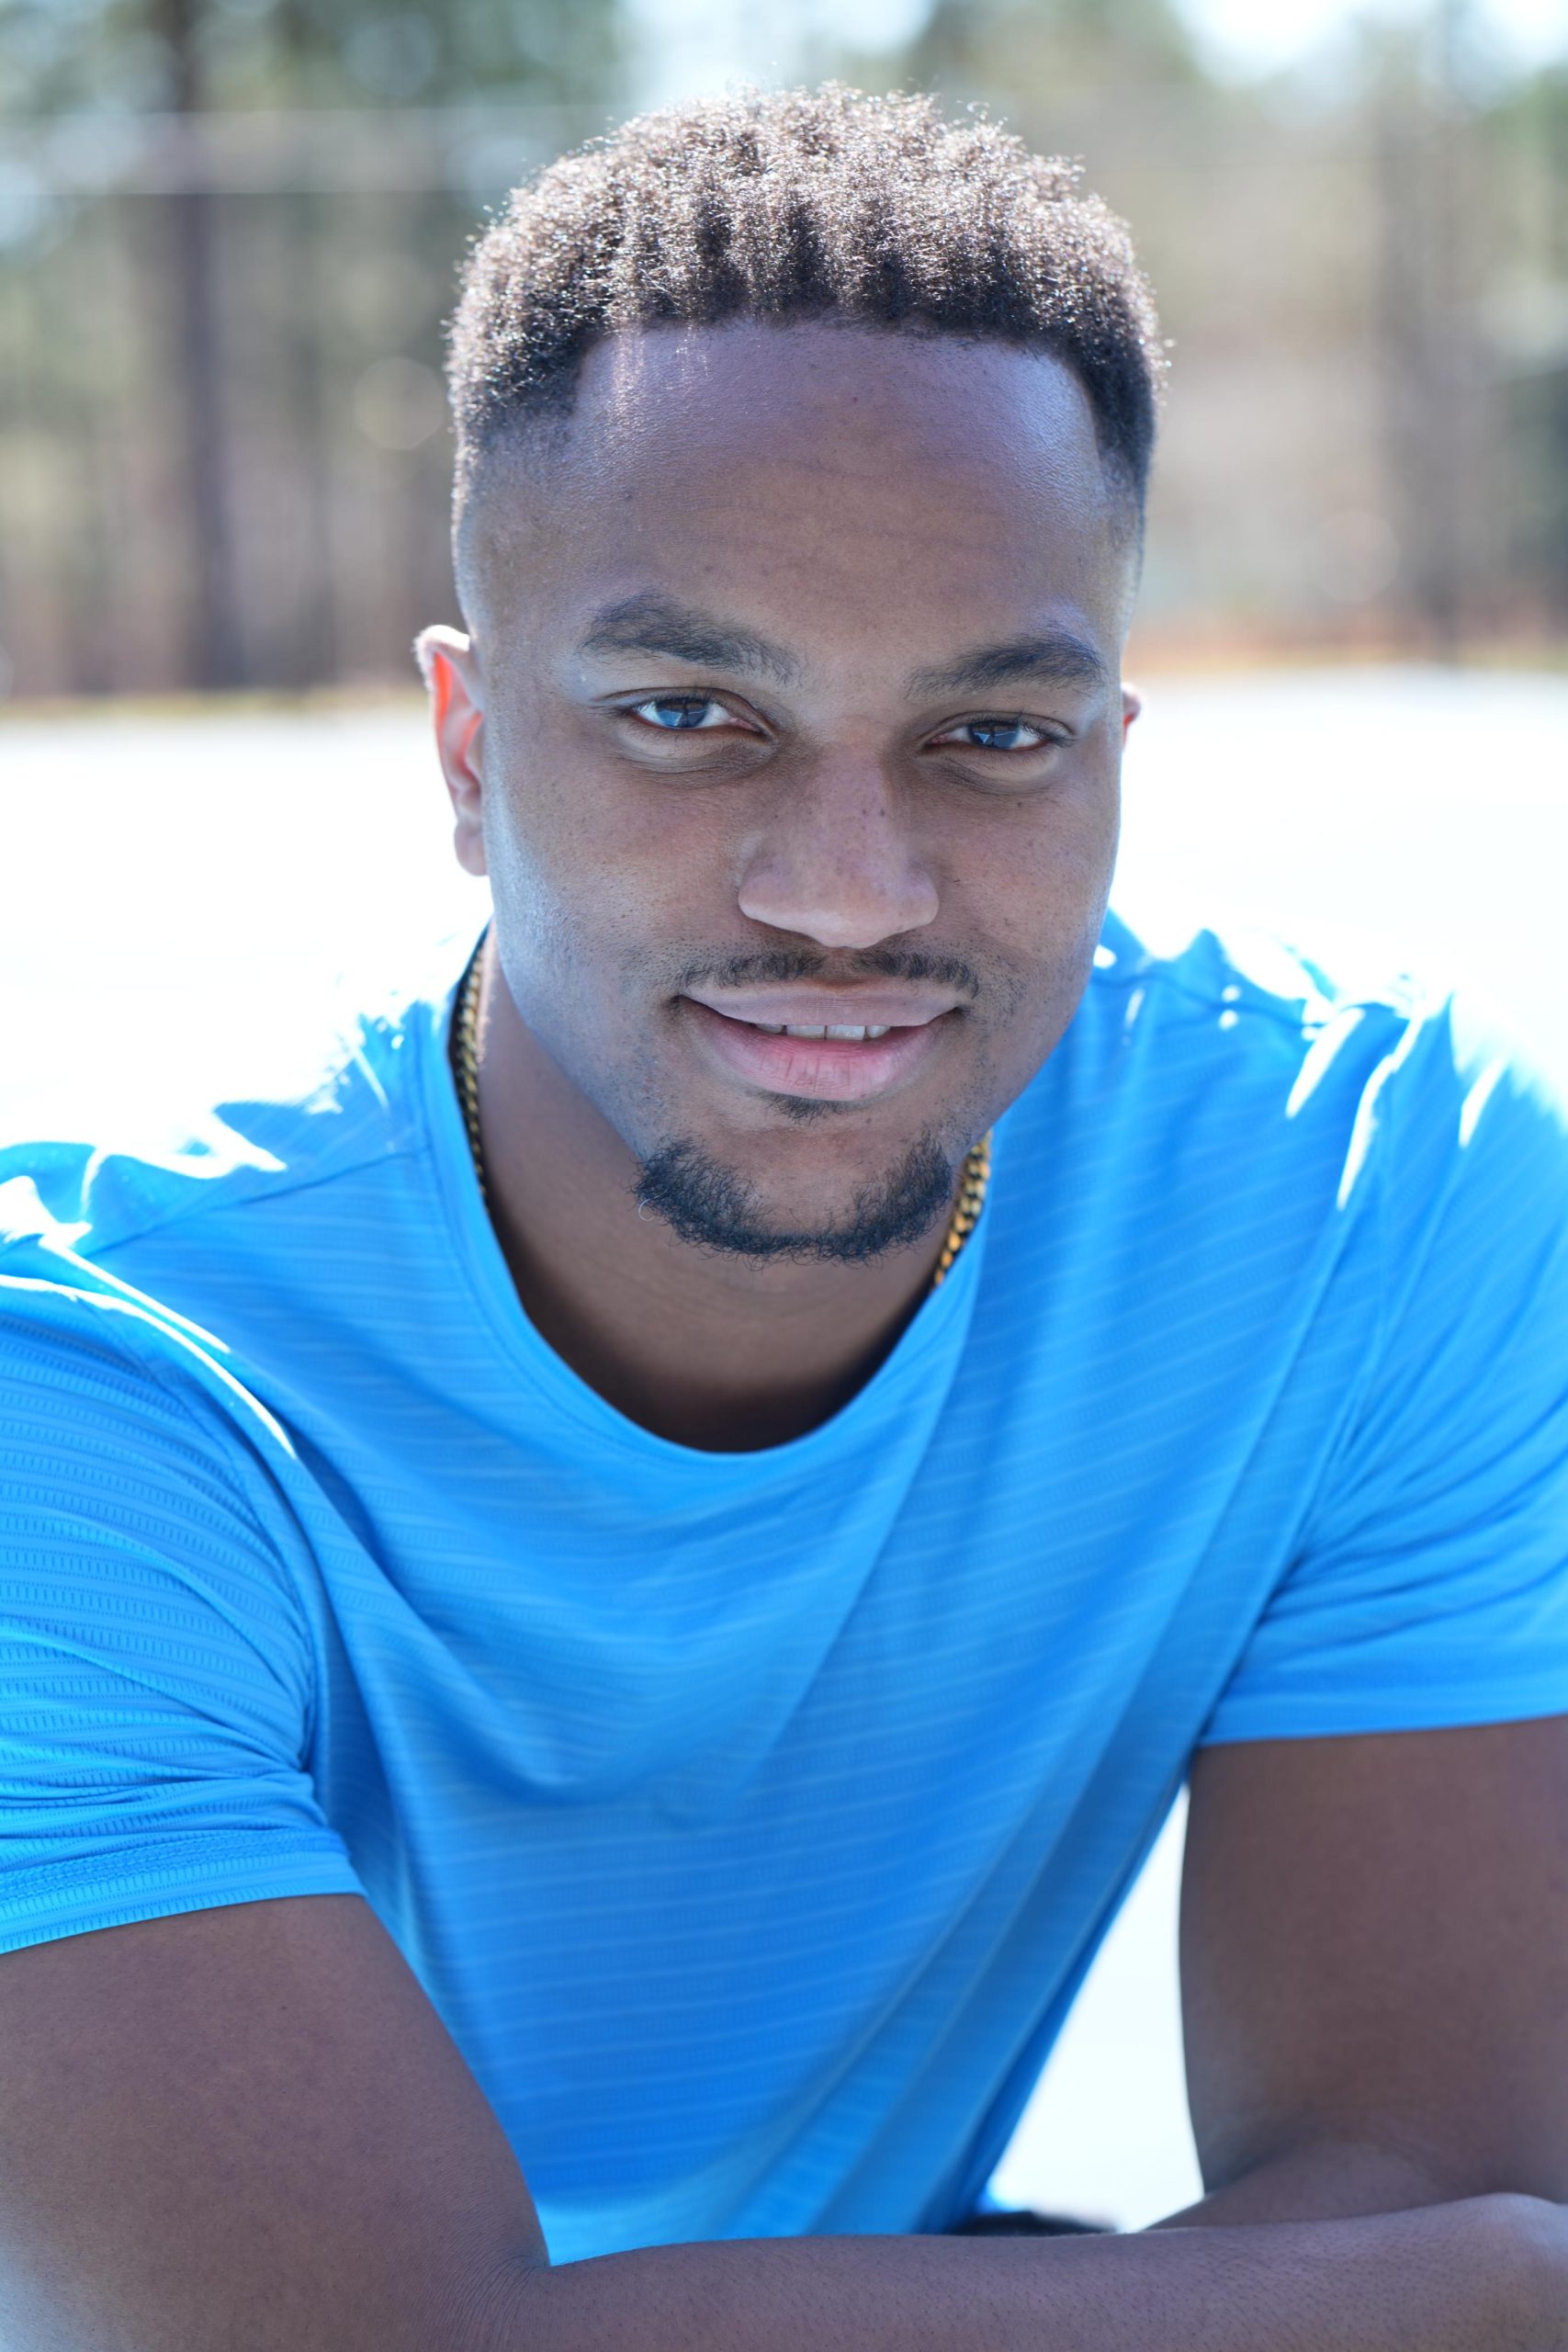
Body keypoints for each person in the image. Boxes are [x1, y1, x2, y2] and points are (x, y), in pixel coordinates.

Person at [1, 82, 1566, 2352]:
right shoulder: (81, 1410)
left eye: (989, 736)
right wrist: (1470, 2286)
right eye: (688, 711)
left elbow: (1430, 2172)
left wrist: (1457, 2271)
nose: (848, 890)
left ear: (1112, 751)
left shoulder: (1367, 1197)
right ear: (467, 751)